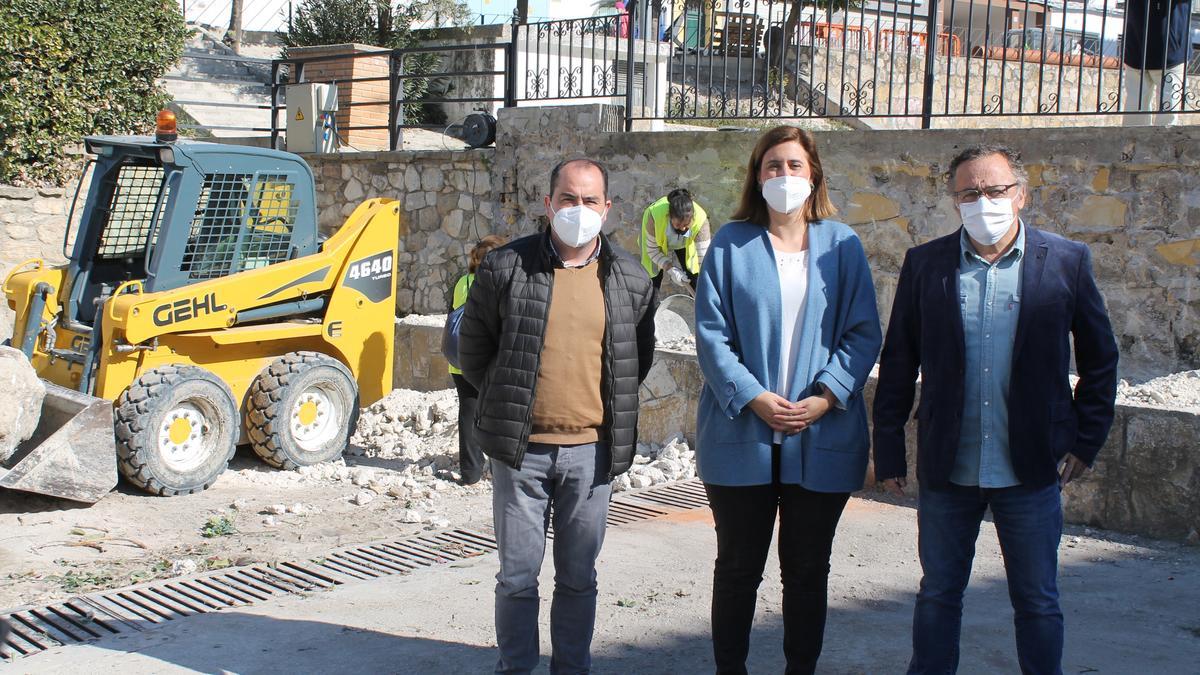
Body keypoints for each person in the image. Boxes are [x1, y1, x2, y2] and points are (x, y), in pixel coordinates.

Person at [872, 144, 1120, 674]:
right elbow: (898, 362)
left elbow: (1101, 360)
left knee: (1037, 600)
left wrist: (1085, 441)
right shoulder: (925, 264)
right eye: (969, 193)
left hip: (1031, 468)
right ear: (954, 200)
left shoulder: (1067, 262)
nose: (982, 201)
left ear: (1021, 195)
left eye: (994, 190)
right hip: (949, 467)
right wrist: (889, 448)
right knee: (938, 594)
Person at [694, 126, 882, 675]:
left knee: (806, 570)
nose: (783, 176)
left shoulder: (843, 245)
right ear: (758, 176)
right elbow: (711, 334)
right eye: (772, 166)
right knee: (737, 568)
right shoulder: (730, 242)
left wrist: (826, 397)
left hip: (820, 433)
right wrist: (753, 397)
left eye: (794, 165)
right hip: (741, 435)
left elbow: (862, 332)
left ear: (814, 174)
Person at [458, 158, 657, 674]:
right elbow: (474, 352)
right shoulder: (506, 268)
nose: (579, 209)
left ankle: (572, 667)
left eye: (590, 201)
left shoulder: (631, 279)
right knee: (517, 578)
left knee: (578, 579)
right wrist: (509, 400)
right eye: (568, 199)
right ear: (548, 205)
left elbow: (637, 358)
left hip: (592, 458)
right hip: (520, 455)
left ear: (608, 209)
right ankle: (516, 667)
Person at [448, 235, 507, 485]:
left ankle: (470, 472)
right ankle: (500, 470)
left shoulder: (463, 282)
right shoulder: (500, 282)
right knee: (498, 415)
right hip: (490, 361)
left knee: (468, 413)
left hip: (460, 360)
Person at [1121, 0, 1193, 126]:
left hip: (1139, 47)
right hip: (1169, 49)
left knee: (1136, 110)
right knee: (1167, 112)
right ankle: (1159, 144)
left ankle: (1134, 143)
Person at [639, 187, 712, 292]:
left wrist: (706, 290)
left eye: (686, 225)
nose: (682, 228)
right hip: (658, 241)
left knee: (695, 276)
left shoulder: (700, 222)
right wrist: (671, 269)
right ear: (669, 217)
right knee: (653, 279)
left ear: (692, 218)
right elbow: (652, 251)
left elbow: (705, 261)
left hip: (684, 242)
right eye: (678, 225)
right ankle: (651, 306)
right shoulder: (654, 217)